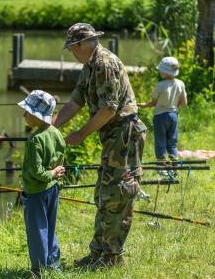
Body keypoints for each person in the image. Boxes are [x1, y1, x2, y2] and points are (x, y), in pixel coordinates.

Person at [53, 23, 147, 269]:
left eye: (73, 48)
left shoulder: (105, 64)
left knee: (118, 195)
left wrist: (81, 134)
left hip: (124, 135)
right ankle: (98, 253)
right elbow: (76, 101)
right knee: (104, 195)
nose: (72, 53)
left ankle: (112, 257)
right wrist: (52, 128)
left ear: (82, 44)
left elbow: (108, 109)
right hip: (112, 136)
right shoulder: (89, 66)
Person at [17, 90, 66, 274]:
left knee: (38, 231)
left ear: (37, 117)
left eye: (27, 112)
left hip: (36, 192)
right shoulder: (56, 133)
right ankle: (54, 266)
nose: (24, 115)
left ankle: (39, 271)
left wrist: (50, 174)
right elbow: (61, 159)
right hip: (53, 190)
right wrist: (55, 174)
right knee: (50, 228)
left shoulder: (35, 140)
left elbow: (36, 171)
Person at [139, 56, 187, 163]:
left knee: (161, 141)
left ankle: (162, 166)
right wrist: (174, 105)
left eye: (161, 70)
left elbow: (153, 103)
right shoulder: (180, 84)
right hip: (174, 115)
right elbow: (184, 103)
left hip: (160, 116)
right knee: (172, 141)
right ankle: (174, 164)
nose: (160, 71)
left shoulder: (160, 85)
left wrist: (143, 105)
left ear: (165, 72)